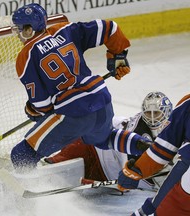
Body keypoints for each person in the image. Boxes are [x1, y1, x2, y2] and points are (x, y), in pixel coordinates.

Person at [10, 3, 150, 170]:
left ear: (29, 30)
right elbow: (110, 28)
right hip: (101, 98)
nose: (17, 34)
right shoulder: (64, 30)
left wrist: (32, 111)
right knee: (105, 138)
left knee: (22, 154)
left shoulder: (25, 57)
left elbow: (43, 105)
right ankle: (152, 149)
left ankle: (20, 192)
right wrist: (117, 56)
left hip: (73, 113)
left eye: (19, 29)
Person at [44, 91, 173, 190]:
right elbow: (139, 166)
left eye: (156, 114)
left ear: (166, 113)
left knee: (78, 187)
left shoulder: (174, 127)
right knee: (57, 165)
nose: (152, 118)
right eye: (148, 113)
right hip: (92, 146)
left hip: (106, 172)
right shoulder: (140, 129)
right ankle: (42, 171)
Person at [117, 94, 190, 215]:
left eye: (156, 113)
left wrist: (149, 208)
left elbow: (184, 166)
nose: (152, 117)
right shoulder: (187, 104)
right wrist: (138, 170)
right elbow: (163, 148)